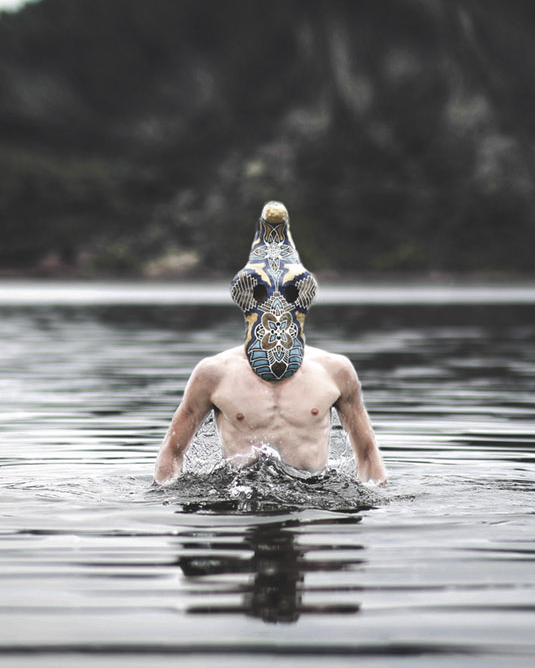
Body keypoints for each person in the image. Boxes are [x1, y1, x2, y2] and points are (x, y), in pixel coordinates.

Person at [155, 201, 387, 484]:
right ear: (246, 297)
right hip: (243, 509)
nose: (275, 302)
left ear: (303, 296)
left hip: (311, 503)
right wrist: (168, 513)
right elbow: (173, 450)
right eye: (262, 293)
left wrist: (377, 504)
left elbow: (366, 451)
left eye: (288, 292)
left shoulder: (335, 370)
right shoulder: (214, 373)